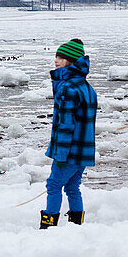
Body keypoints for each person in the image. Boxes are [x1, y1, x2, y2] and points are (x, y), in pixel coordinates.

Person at [41, 39, 98, 228]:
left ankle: (48, 225)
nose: (56, 60)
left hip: (70, 150)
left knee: (53, 185)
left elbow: (66, 125)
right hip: (83, 150)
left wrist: (62, 155)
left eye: (61, 57)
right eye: (56, 55)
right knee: (73, 187)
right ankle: (76, 225)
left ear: (70, 61)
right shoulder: (86, 87)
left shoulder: (68, 88)